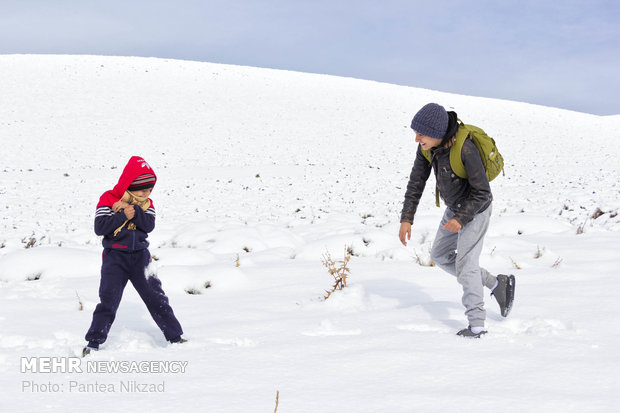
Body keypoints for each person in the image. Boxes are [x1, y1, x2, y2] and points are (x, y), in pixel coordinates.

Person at [399, 103, 515, 338]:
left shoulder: (466, 149)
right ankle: (496, 284)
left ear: (437, 132)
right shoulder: (427, 148)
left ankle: (477, 325)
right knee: (440, 256)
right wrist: (406, 218)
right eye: (415, 133)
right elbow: (416, 182)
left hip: (476, 209)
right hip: (455, 209)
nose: (416, 139)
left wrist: (462, 219)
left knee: (466, 264)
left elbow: (483, 193)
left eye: (421, 134)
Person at [83, 156, 185, 355]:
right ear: (128, 185)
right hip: (115, 259)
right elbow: (99, 227)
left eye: (149, 189)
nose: (146, 193)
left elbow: (149, 226)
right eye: (142, 189)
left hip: (141, 258)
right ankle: (93, 342)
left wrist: (135, 211)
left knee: (157, 298)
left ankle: (175, 337)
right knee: (108, 301)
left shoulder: (147, 203)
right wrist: (121, 215)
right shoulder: (108, 199)